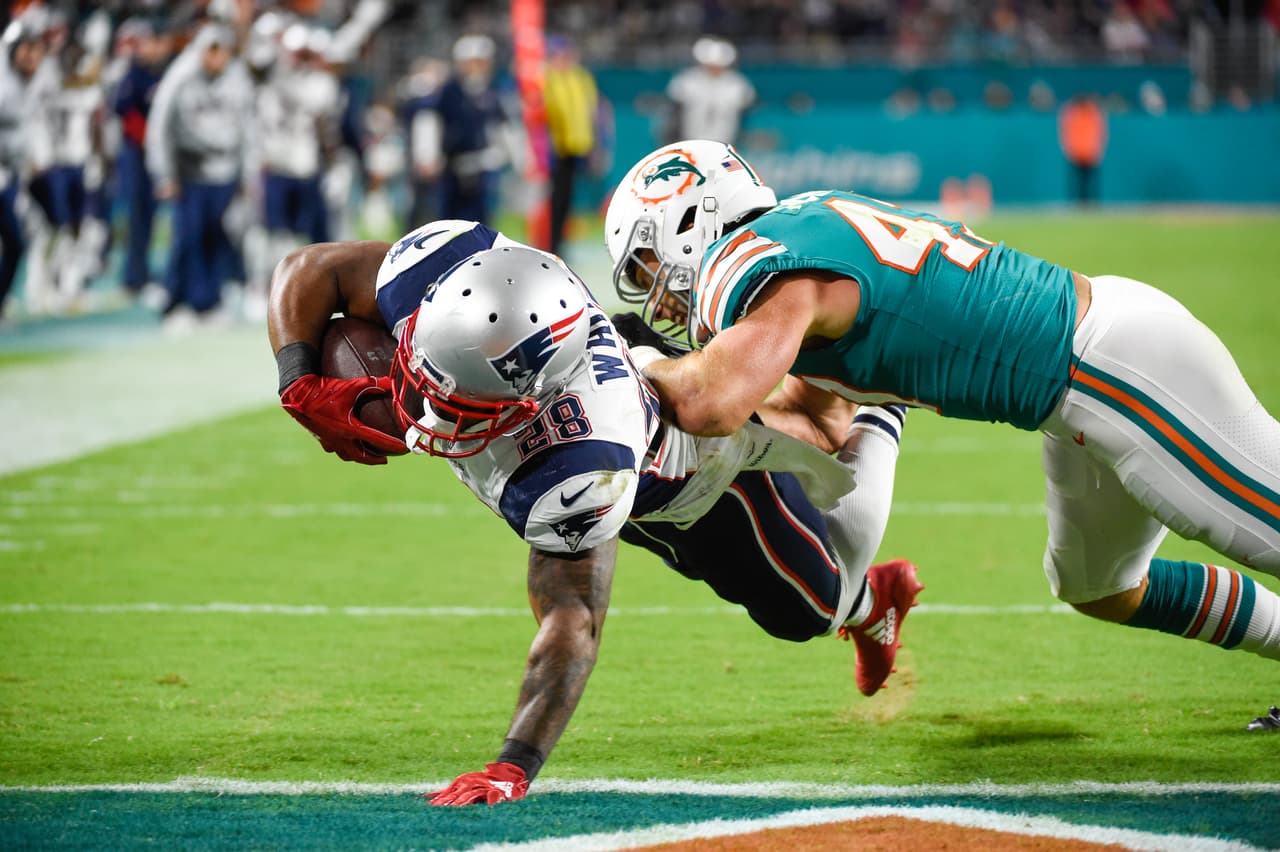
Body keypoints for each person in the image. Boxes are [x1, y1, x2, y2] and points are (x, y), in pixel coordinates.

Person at [267, 219, 921, 806]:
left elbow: (572, 616)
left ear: (527, 402)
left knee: (806, 608)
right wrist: (297, 377)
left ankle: (883, 416)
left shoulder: (580, 461)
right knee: (687, 556)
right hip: (622, 425)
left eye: (457, 405)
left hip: (697, 475)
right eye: (422, 375)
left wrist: (513, 764)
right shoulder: (454, 274)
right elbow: (310, 268)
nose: (425, 412)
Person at [605, 138, 1280, 668]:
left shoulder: (747, 264)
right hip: (1087, 383)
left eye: (645, 264)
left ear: (694, 220)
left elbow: (710, 403)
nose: (653, 294)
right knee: (1098, 585)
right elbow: (823, 420)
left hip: (1116, 371)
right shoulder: (798, 232)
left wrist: (626, 370)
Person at [145, 21, 254, 328]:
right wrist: (163, 174)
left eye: (223, 52)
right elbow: (160, 128)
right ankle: (178, 303)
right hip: (189, 170)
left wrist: (248, 174)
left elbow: (249, 128)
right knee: (188, 237)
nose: (217, 58)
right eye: (212, 51)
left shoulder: (238, 78)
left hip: (225, 172)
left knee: (217, 237)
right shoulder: (180, 77)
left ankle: (209, 302)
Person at [112, 17, 172, 299]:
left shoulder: (166, 72)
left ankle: (145, 274)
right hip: (136, 153)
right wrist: (150, 137)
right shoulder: (134, 73)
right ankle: (134, 277)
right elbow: (124, 112)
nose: (155, 47)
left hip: (157, 153)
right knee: (138, 215)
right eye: (152, 41)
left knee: (153, 216)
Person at [0, 18, 48, 321]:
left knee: (16, 242)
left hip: (8, 174)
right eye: (25, 49)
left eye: (35, 49)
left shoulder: (31, 83)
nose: (31, 55)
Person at [541, 35, 597, 256]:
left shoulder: (581, 78)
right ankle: (549, 242)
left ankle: (559, 242)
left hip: (576, 147)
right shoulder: (547, 78)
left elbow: (591, 112)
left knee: (566, 200)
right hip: (553, 149)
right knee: (552, 199)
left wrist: (593, 146)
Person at [665, 36, 754, 145]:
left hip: (725, 140)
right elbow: (675, 110)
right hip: (690, 140)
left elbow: (745, 111)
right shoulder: (687, 80)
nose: (714, 68)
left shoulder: (737, 84)